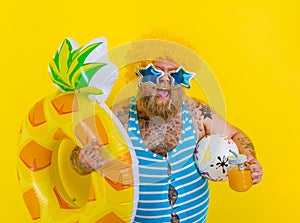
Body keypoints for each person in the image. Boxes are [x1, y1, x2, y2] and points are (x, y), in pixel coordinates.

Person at [71, 58, 263, 222]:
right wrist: (83, 162)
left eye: (175, 74)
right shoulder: (118, 118)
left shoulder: (197, 112)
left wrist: (249, 159)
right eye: (155, 72)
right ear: (139, 76)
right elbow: (78, 159)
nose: (164, 80)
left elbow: (235, 135)